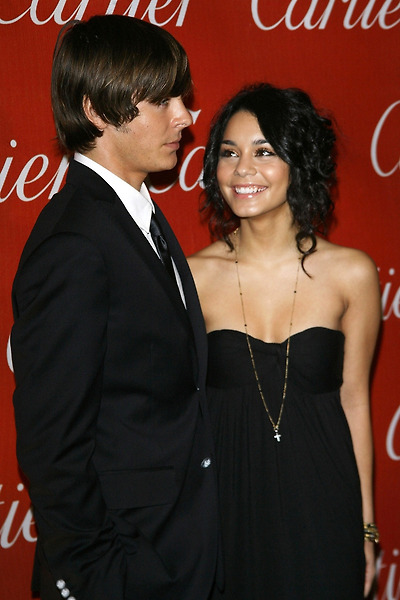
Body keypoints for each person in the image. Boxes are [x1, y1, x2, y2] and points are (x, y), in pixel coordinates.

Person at [11, 15, 221, 600]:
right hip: (129, 570)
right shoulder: (74, 243)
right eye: (163, 100)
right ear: (96, 110)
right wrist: (103, 576)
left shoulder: (136, 216)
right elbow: (53, 444)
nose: (185, 116)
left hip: (182, 551)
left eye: (181, 98)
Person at [188, 83, 381, 599]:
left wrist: (366, 528)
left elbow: (355, 401)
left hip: (326, 508)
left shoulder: (352, 274)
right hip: (226, 514)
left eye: (264, 151)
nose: (242, 170)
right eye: (229, 153)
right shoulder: (192, 277)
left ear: (299, 162)